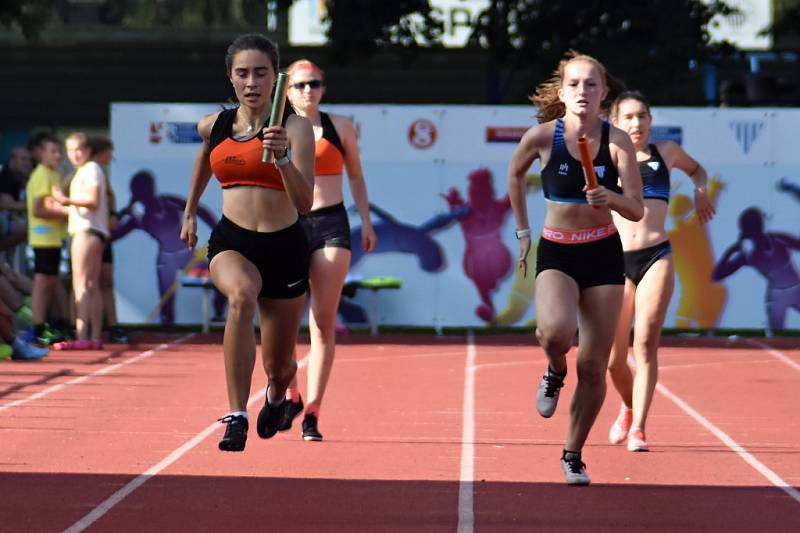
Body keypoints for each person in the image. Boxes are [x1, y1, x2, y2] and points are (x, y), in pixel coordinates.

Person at [507, 51, 644, 485]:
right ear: (562, 91)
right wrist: (524, 233)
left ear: (603, 93)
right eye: (574, 84)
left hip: (602, 252)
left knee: (593, 365)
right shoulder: (543, 137)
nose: (582, 92)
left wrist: (610, 197)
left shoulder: (617, 141)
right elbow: (513, 175)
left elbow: (637, 208)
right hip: (558, 252)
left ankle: (573, 454)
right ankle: (553, 370)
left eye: (591, 85)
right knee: (555, 332)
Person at [179, 34, 315, 452]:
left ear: (276, 78)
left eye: (260, 73)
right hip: (233, 241)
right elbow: (205, 153)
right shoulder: (215, 124)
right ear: (230, 78)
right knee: (240, 296)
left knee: (280, 365)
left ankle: (276, 398)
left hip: (285, 247)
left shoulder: (294, 127)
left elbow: (306, 202)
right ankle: (236, 414)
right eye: (243, 73)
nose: (251, 81)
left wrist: (284, 158)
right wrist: (190, 209)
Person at [606, 91, 716, 452]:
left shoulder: (665, 152)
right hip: (616, 261)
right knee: (612, 360)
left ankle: (639, 427)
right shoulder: (607, 158)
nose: (636, 124)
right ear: (615, 122)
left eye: (642, 116)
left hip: (656, 255)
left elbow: (697, 169)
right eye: (629, 118)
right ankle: (627, 405)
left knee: (646, 342)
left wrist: (700, 189)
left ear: (650, 119)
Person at [281, 59, 377, 441]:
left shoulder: (341, 126)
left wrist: (366, 222)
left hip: (331, 224)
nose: (309, 91)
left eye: (315, 84)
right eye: (301, 84)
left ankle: (313, 413)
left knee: (322, 320)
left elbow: (355, 175)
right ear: (287, 90)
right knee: (284, 319)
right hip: (288, 225)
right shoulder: (280, 128)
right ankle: (289, 391)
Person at [51, 132, 109, 350]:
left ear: (87, 151)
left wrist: (65, 200)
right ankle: (93, 337)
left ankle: (83, 335)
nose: (75, 155)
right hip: (92, 230)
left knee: (81, 285)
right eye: (71, 151)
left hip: (86, 232)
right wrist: (64, 206)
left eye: (79, 150)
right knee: (91, 285)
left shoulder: (90, 169)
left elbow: (92, 201)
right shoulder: (86, 171)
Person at [712, 207, 799, 333]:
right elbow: (716, 276)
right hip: (777, 298)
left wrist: (731, 251)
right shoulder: (750, 254)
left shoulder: (776, 240)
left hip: (796, 289)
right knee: (776, 336)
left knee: (776, 336)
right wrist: (730, 251)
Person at [25, 134, 70, 346]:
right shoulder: (42, 174)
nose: (58, 155)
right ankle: (38, 327)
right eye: (53, 151)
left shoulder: (53, 174)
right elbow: (38, 208)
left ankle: (52, 324)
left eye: (59, 151)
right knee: (43, 282)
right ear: (41, 153)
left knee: (51, 281)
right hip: (43, 237)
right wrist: (68, 213)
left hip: (53, 237)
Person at [88, 136, 129, 344]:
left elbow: (111, 196)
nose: (111, 157)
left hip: (103, 233)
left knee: (105, 281)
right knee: (88, 282)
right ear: (99, 152)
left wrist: (112, 214)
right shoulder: (88, 170)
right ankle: (86, 328)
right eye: (108, 152)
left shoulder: (99, 172)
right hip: (90, 232)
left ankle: (111, 325)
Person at [0, 146, 32, 252]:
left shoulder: (22, 179)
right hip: (4, 223)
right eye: (23, 159)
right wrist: (35, 205)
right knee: (25, 229)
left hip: (9, 222)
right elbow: (7, 204)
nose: (27, 163)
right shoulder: (5, 177)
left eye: (29, 160)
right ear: (12, 161)